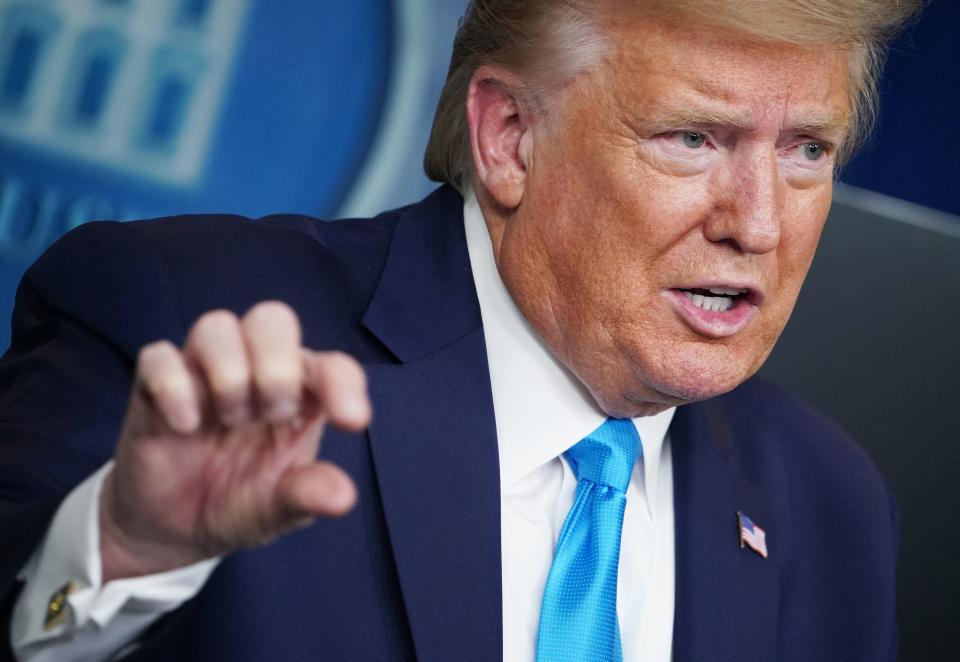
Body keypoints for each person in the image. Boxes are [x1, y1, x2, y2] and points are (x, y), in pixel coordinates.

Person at [1, 1, 920, 661]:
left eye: (807, 150)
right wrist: (123, 554)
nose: (758, 224)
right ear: (509, 137)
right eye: (693, 138)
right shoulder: (188, 322)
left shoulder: (829, 505)